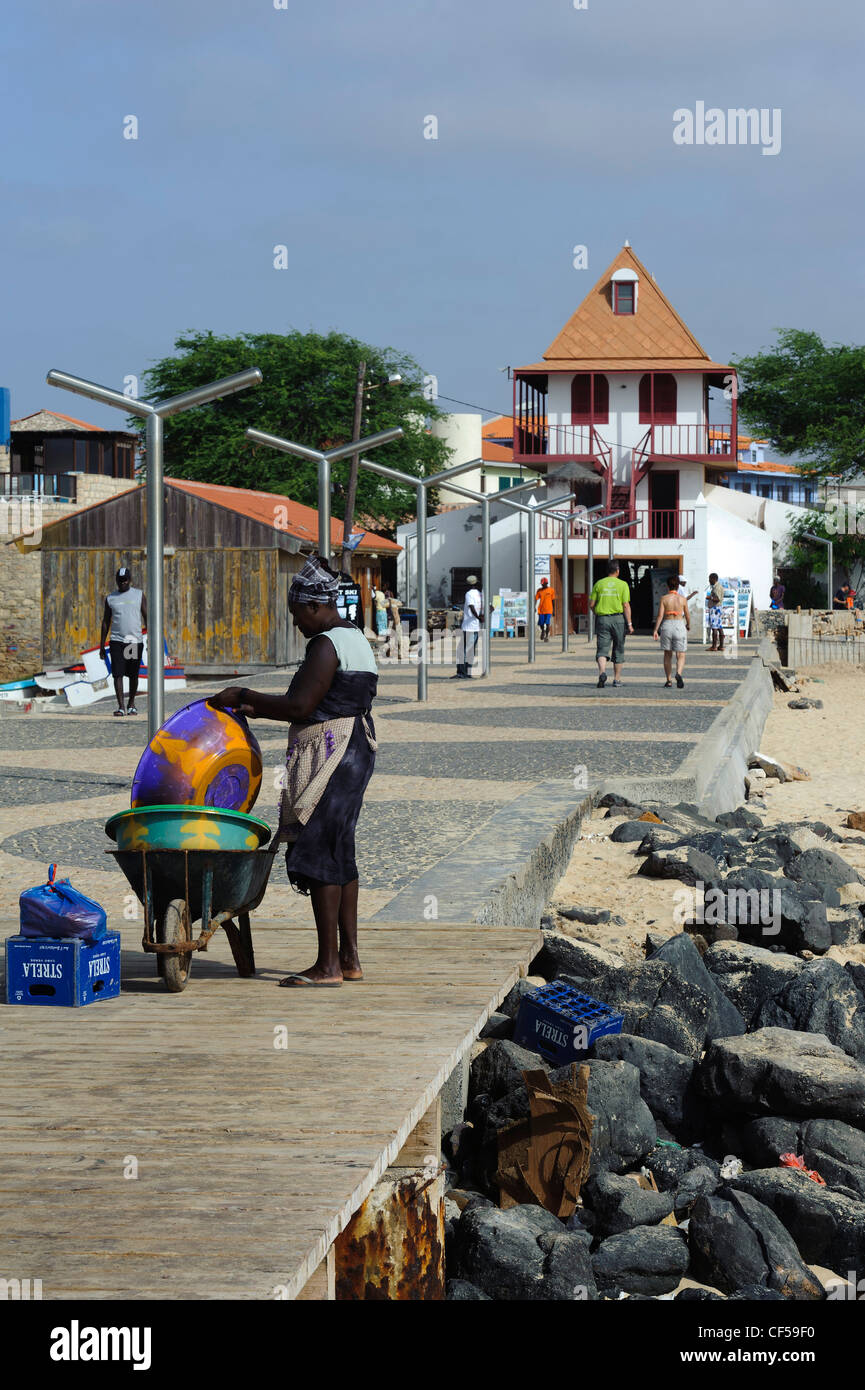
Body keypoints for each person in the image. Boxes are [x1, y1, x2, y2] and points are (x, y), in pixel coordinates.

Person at [211, 556, 377, 988]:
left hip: (332, 755)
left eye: (296, 614)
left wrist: (242, 692)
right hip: (355, 750)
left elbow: (301, 706)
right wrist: (255, 708)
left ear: (312, 607)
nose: (296, 623)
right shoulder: (355, 638)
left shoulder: (324, 644)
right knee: (341, 851)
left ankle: (327, 967)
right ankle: (350, 958)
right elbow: (318, 702)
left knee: (321, 851)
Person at [99, 566, 147, 716]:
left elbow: (147, 617)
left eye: (125, 580)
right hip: (117, 641)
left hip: (133, 641)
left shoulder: (138, 595)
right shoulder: (111, 598)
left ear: (130, 580)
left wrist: (151, 639)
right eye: (120, 580)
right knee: (117, 674)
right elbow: (106, 621)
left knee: (133, 674)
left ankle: (131, 704)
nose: (122, 583)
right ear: (116, 581)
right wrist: (101, 645)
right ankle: (121, 707)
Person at [589, 559, 633, 688]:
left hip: (602, 618)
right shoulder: (623, 585)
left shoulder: (598, 584)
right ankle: (617, 679)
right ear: (617, 571)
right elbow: (626, 605)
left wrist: (596, 611)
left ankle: (602, 672)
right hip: (618, 619)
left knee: (602, 648)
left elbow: (591, 604)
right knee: (618, 648)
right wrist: (629, 624)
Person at [653, 575, 690, 688]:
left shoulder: (664, 598)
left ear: (668, 586)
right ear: (678, 586)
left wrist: (655, 630)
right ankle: (678, 673)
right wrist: (688, 624)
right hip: (679, 624)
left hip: (667, 625)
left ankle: (668, 680)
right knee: (681, 654)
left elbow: (660, 616)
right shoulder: (682, 599)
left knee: (667, 654)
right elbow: (687, 614)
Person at [452, 575, 483, 679]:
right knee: (471, 651)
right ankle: (468, 672)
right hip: (476, 627)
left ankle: (462, 673)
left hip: (469, 626)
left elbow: (471, 607)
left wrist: (478, 617)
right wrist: (482, 617)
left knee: (462, 650)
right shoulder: (480, 594)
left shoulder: (469, 594)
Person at [706, 572, 725, 651]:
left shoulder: (716, 587)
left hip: (715, 609)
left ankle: (714, 646)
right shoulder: (719, 586)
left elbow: (718, 598)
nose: (709, 581)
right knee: (719, 627)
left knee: (714, 627)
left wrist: (710, 598)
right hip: (718, 609)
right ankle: (721, 646)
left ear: (714, 579)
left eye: (710, 579)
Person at [534, 577, 555, 642]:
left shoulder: (551, 590)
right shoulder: (539, 590)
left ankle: (546, 636)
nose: (542, 585)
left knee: (547, 623)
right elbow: (536, 599)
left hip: (549, 610)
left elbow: (553, 600)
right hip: (541, 610)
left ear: (546, 583)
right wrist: (534, 607)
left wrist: (553, 610)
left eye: (543, 584)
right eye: (542, 584)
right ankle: (543, 631)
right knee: (541, 623)